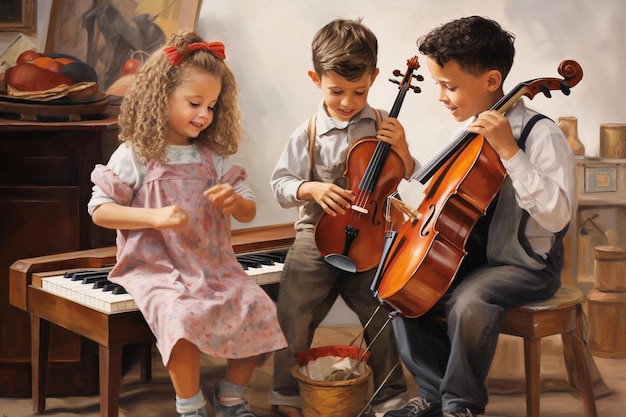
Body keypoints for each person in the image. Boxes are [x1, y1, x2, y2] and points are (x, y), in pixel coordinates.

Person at [87, 30, 286, 417]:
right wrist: (153, 216)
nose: (204, 115)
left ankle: (230, 396)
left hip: (211, 263)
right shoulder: (137, 155)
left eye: (212, 106)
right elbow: (100, 210)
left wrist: (236, 203)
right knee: (179, 318)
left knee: (259, 308)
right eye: (195, 103)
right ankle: (190, 405)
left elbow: (248, 208)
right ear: (162, 98)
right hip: (154, 266)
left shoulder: (213, 157)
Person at [383, 16, 575, 417]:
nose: (441, 96)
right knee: (403, 286)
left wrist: (510, 153)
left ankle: (460, 405)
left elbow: (557, 216)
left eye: (449, 86)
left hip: (526, 263)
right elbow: (444, 190)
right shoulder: (472, 129)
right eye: (438, 84)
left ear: (491, 81)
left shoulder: (541, 135)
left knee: (471, 300)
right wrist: (408, 189)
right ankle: (433, 394)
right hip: (479, 256)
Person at [270, 18, 418, 417]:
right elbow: (281, 182)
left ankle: (390, 395)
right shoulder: (307, 133)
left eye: (359, 91)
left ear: (374, 77)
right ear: (315, 79)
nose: (348, 101)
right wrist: (310, 188)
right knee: (293, 309)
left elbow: (407, 175)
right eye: (337, 91)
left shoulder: (385, 125)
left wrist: (402, 148)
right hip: (316, 231)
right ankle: (286, 392)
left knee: (382, 307)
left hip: (369, 234)